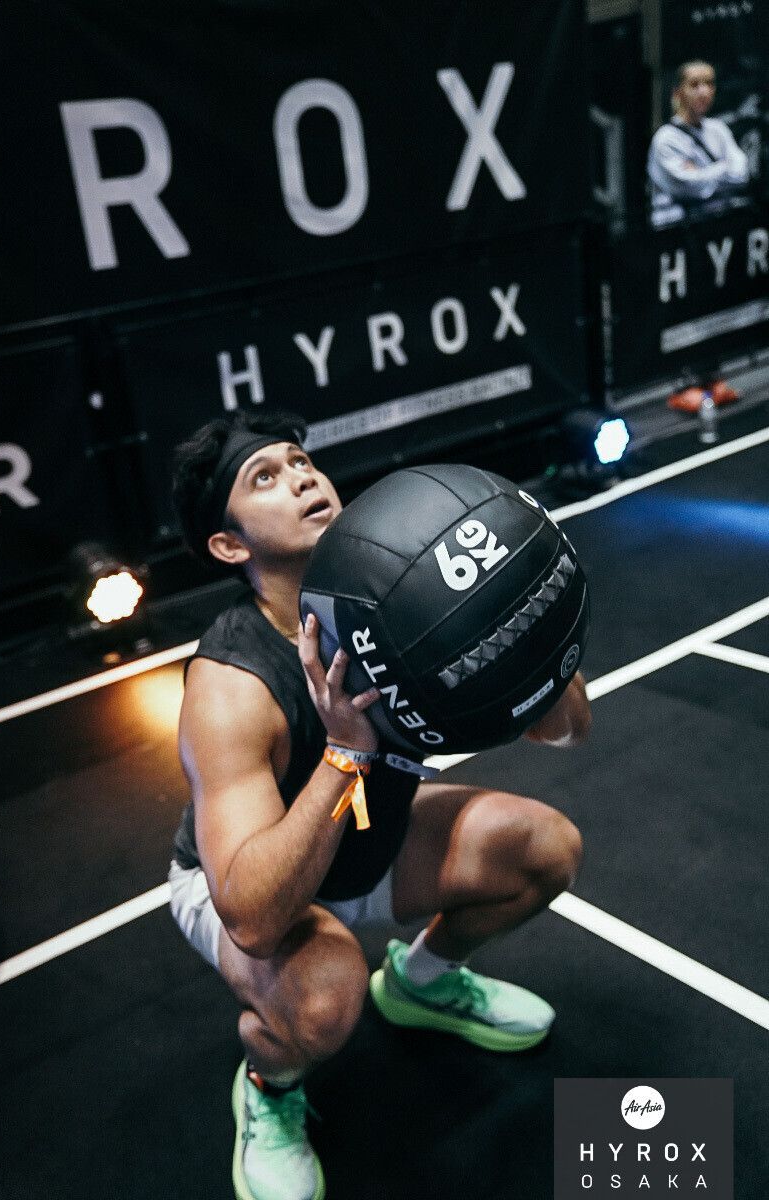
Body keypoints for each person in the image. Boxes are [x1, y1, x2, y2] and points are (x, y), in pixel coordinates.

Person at [168, 407, 590, 1200]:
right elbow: (252, 916)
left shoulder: (401, 595)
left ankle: (424, 982)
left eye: (300, 462)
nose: (299, 479)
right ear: (229, 545)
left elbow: (567, 733)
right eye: (266, 478)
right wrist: (344, 751)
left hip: (373, 834)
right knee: (325, 999)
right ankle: (269, 1091)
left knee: (546, 848)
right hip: (246, 882)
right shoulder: (231, 684)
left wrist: (528, 628)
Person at [647, 60, 749, 229]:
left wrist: (703, 172)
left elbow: (741, 174)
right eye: (694, 85)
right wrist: (724, 168)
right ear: (678, 93)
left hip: (717, 228)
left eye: (709, 83)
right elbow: (687, 186)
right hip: (676, 236)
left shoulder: (718, 129)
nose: (703, 91)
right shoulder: (665, 139)